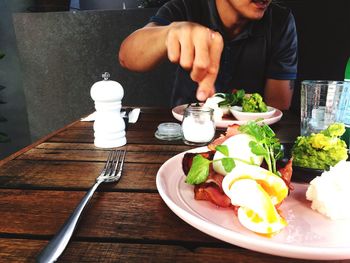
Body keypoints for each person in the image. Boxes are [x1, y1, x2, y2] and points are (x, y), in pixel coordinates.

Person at [118, 0, 297, 110]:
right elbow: (127, 56)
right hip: (189, 133)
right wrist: (169, 33)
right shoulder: (184, 7)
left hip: (252, 138)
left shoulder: (280, 21)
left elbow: (279, 104)